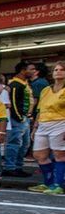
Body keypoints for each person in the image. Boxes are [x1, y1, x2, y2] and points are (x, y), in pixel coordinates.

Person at [29, 61, 65, 194]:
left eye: (62, 69)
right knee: (39, 154)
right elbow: (40, 109)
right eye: (56, 70)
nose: (58, 72)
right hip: (44, 123)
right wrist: (35, 127)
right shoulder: (46, 90)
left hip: (61, 123)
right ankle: (48, 182)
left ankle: (58, 184)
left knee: (60, 155)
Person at [2, 60, 35, 177]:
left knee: (24, 144)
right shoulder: (15, 85)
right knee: (14, 143)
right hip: (18, 119)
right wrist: (20, 117)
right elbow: (14, 103)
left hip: (24, 118)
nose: (33, 72)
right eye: (31, 69)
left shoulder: (24, 83)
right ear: (23, 70)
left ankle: (18, 166)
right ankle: (10, 167)